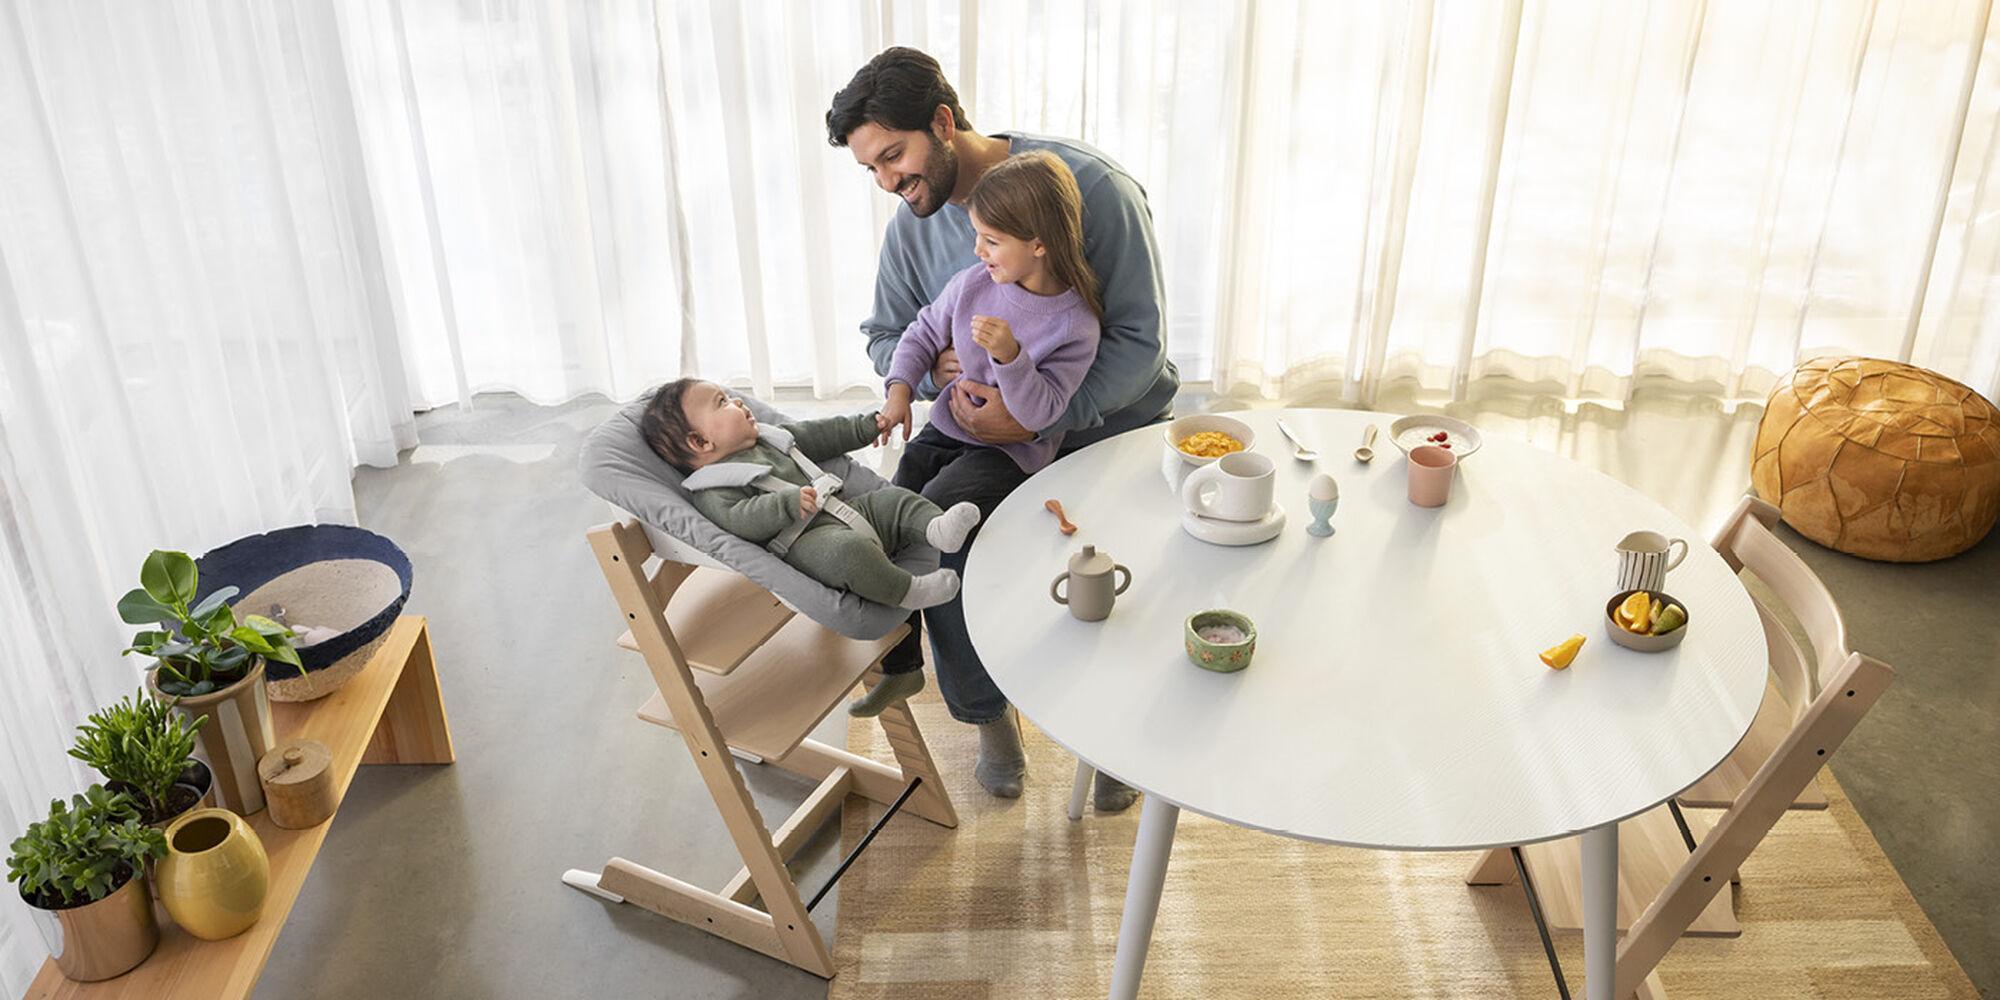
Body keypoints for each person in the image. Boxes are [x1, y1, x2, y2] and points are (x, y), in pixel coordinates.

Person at [828, 46, 1178, 809]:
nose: (889, 182)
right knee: (932, 538)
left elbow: (1140, 349)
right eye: (872, 170)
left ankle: (1111, 733)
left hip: (1102, 427)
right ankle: (988, 718)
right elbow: (891, 333)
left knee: (1103, 575)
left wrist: (1031, 415)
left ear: (944, 123)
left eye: (894, 156)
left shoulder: (1089, 190)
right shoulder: (914, 226)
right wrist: (929, 374)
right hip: (974, 430)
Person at [638, 379, 981, 717]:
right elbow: (739, 520)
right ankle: (910, 590)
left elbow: (821, 435)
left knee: (894, 500)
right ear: (700, 441)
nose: (738, 403)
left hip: (848, 510)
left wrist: (864, 427)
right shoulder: (713, 489)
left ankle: (937, 528)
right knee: (848, 556)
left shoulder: (771, 440)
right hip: (808, 542)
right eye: (722, 403)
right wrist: (785, 504)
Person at [879, 149, 1101, 479]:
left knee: (945, 502)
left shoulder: (1075, 326)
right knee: (900, 490)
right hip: (949, 425)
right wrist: (899, 392)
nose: (978, 250)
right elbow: (922, 333)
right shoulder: (972, 283)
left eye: (992, 241)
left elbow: (1041, 414)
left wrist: (1010, 357)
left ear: (1038, 246)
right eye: (977, 235)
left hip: (1010, 453)